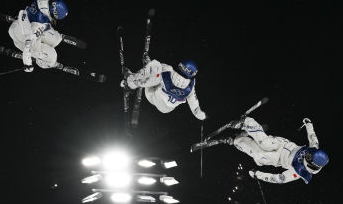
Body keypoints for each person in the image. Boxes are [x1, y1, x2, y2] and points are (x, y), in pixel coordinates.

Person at [191, 117, 326, 184]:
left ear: (312, 164)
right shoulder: (314, 149)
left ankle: (236, 139)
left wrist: (258, 175)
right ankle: (246, 122)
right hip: (282, 145)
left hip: (278, 159)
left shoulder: (300, 172)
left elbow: (278, 179)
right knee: (266, 144)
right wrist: (309, 125)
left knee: (259, 157)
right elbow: (312, 137)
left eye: (308, 157)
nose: (307, 153)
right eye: (310, 153)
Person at [122, 59, 206, 120]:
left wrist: (130, 83)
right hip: (167, 109)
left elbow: (148, 82)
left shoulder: (167, 71)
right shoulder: (191, 87)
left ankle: (132, 80)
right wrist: (201, 116)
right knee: (159, 77)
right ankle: (145, 70)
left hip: (152, 97)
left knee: (157, 67)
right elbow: (194, 105)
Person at [8, 0, 68, 72]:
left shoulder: (43, 0)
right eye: (55, 18)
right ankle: (42, 60)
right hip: (22, 36)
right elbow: (28, 43)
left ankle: (42, 43)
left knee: (57, 39)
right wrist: (27, 63)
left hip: (23, 25)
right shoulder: (40, 22)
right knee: (52, 56)